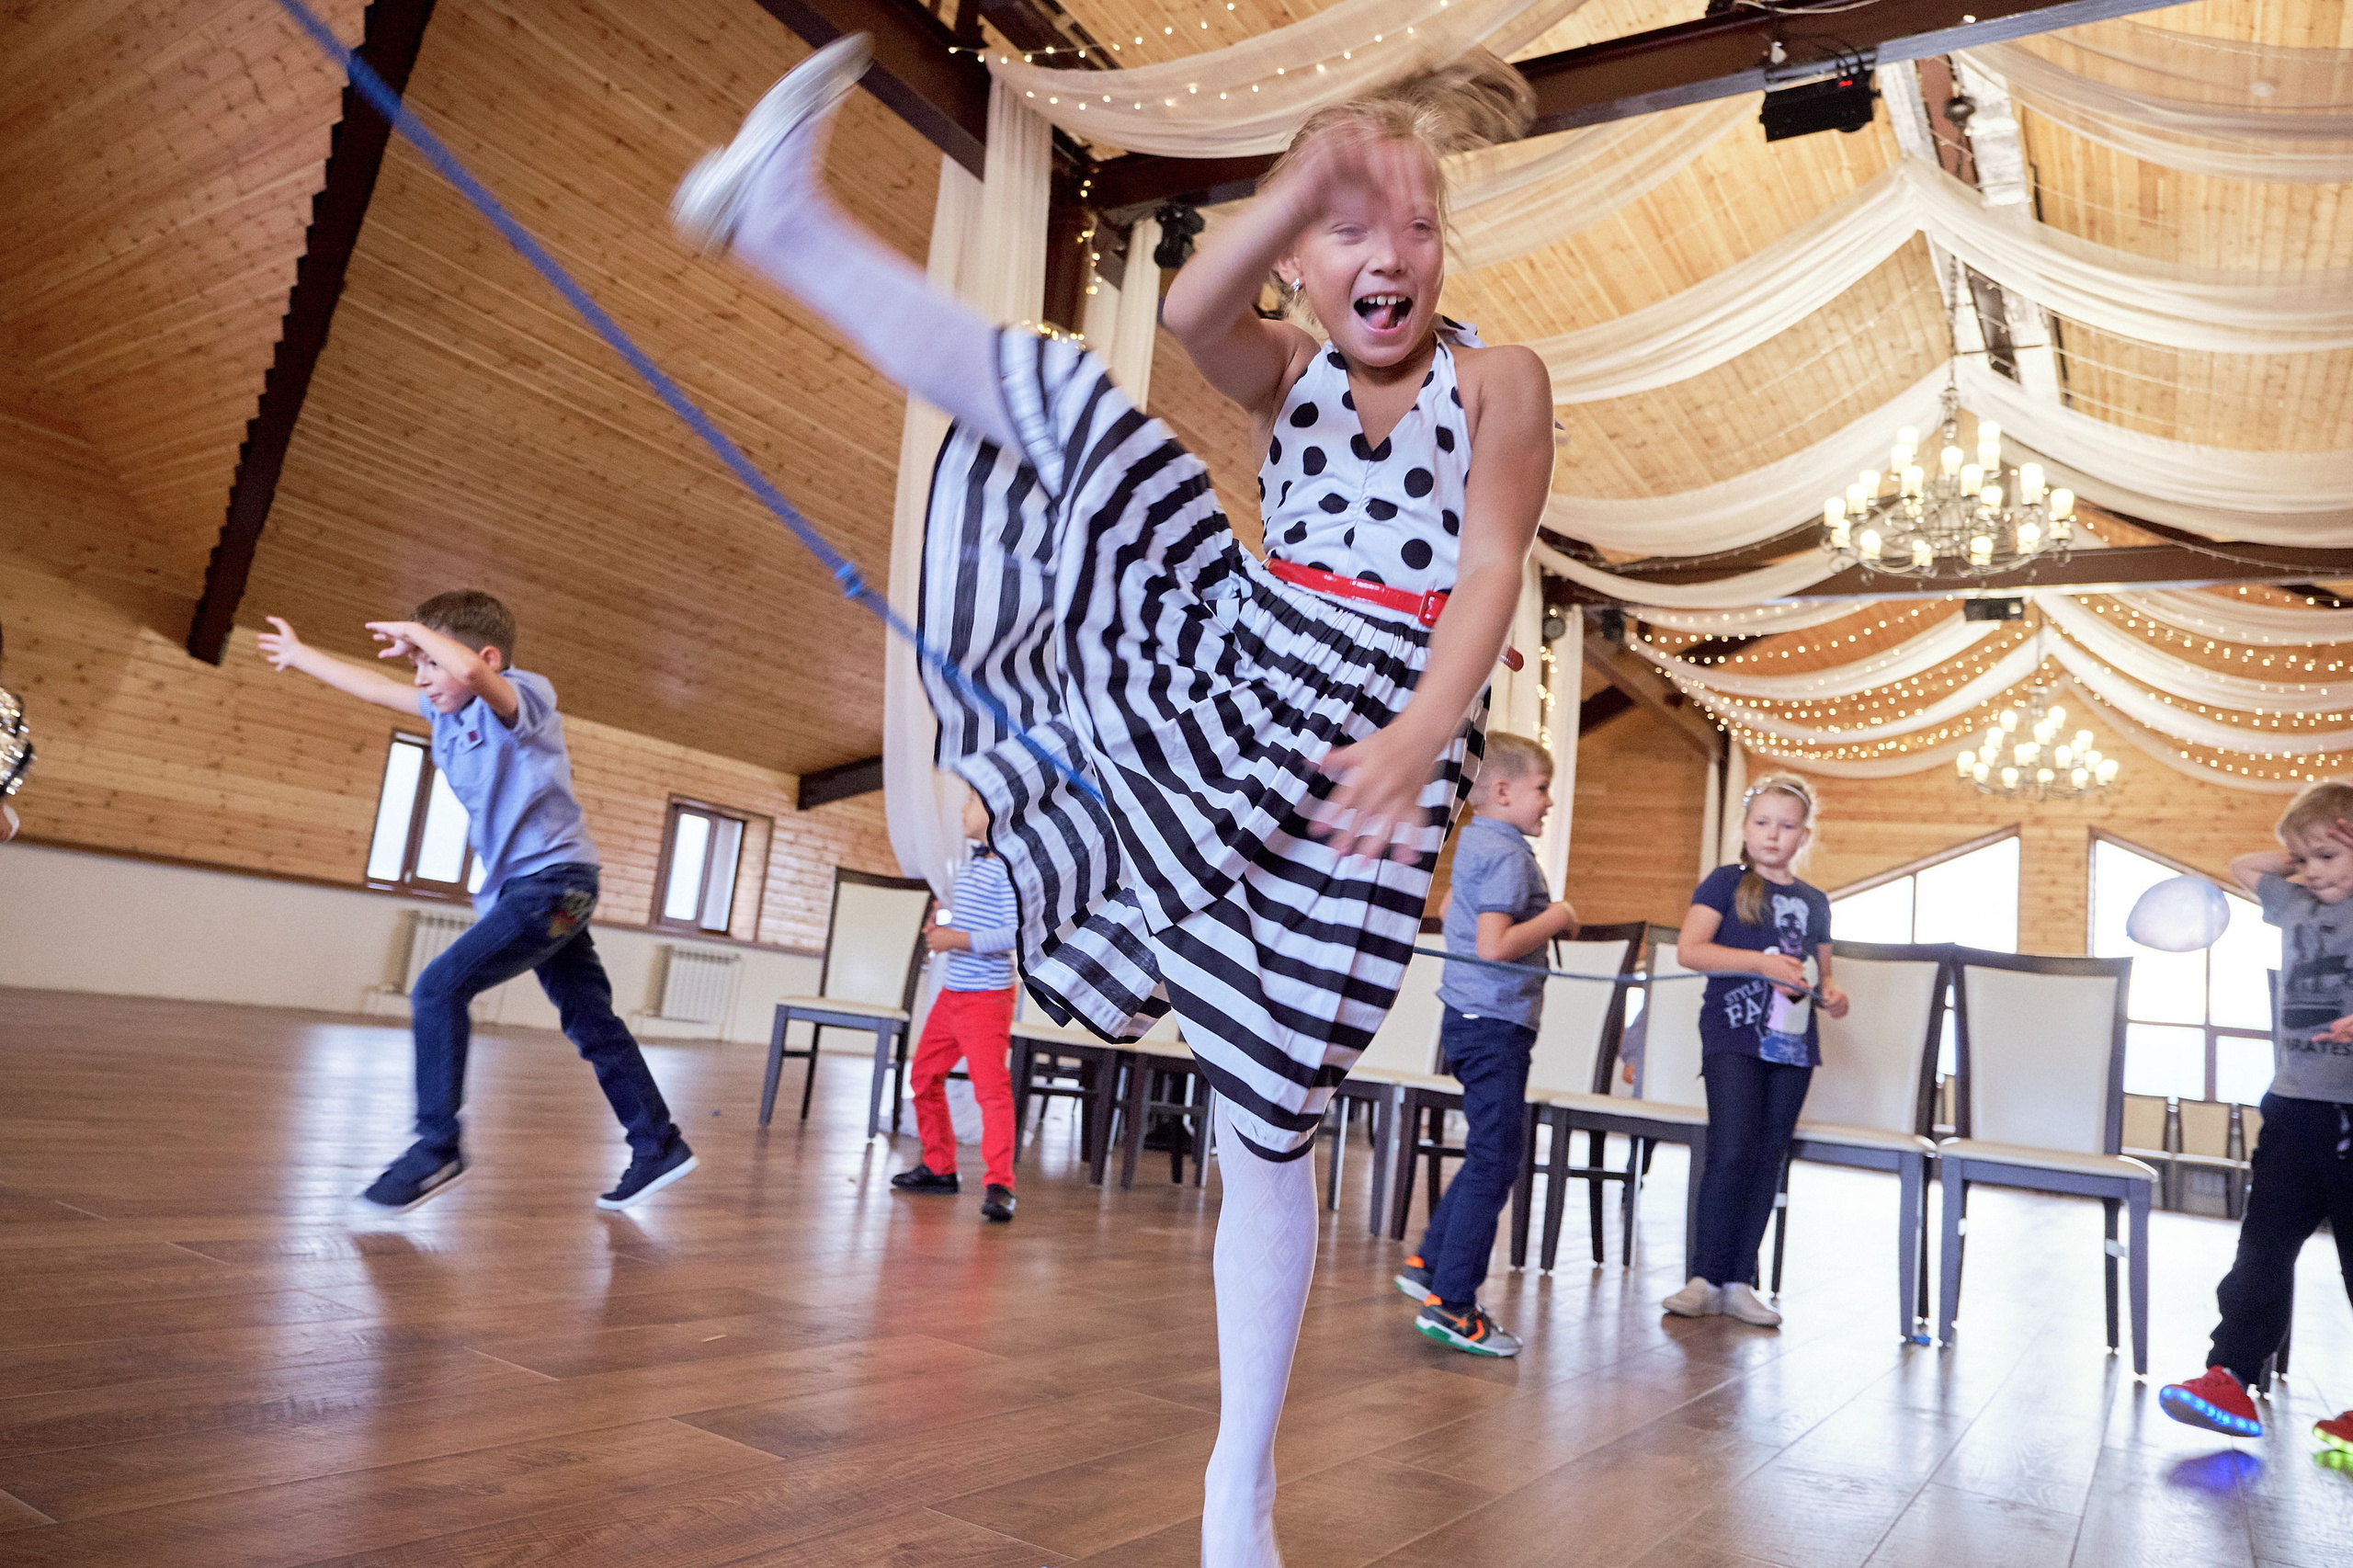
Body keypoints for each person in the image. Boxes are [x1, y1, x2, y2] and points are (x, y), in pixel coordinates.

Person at [672, 37, 1552, 1565]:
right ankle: (779, 221)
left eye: (1414, 224)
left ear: (1446, 244)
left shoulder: (1500, 382)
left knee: (1269, 1120)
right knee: (1074, 411)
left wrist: (1422, 732)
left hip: (1368, 740)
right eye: (1352, 227)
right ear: (1306, 256)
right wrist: (1297, 194)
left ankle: (1240, 1492)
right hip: (1239, 654)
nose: (1388, 255)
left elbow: (1485, 570)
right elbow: (1199, 311)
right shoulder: (1283, 366)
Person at [257, 593, 696, 1212]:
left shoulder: (524, 698)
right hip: (535, 893)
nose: (421, 678)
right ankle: (658, 1145)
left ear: (484, 657)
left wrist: (415, 629)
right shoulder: (444, 717)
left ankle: (437, 1148)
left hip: (555, 884)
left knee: (437, 988)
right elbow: (374, 689)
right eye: (417, 666)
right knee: (591, 1020)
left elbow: (467, 673)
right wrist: (300, 654)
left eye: (427, 663)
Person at [2160, 778, 2353, 1459]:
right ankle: (2231, 1376)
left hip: (2352, 1114)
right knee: (2261, 1250)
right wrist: (2302, 856)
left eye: (2330, 859)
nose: (2315, 874)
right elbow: (2244, 869)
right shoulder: (2297, 902)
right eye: (2308, 861)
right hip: (2294, 1105)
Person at [1392, 733, 1574, 1358]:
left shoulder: (1475, 842)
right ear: (1502, 791)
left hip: (1469, 1020)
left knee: (1487, 1152)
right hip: (1495, 1025)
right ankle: (1453, 1305)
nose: (1549, 802)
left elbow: (1450, 907)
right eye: (1542, 788)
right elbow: (1495, 944)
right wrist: (1558, 916)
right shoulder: (1510, 856)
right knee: (1497, 1159)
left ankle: (1428, 1265)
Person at [1665, 775, 1848, 1326]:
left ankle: (1742, 1279)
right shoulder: (1724, 883)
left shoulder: (1815, 902)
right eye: (1762, 823)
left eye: (1786, 826)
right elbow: (1690, 951)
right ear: (1745, 830)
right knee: (1731, 1149)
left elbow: (1820, 977)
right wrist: (1761, 964)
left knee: (1768, 1158)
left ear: (1804, 835)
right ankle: (1704, 1276)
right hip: (1732, 1036)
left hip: (1793, 1046)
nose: (1773, 835)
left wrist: (1832, 997)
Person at [891, 786, 1020, 1223]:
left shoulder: (1009, 867)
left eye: (971, 801)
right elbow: (967, 919)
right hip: (953, 997)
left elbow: (1014, 934)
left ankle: (1000, 1184)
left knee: (991, 1090)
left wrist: (956, 940)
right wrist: (942, 921)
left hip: (987, 999)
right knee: (924, 1076)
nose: (963, 809)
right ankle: (939, 1166)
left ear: (996, 809)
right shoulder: (971, 866)